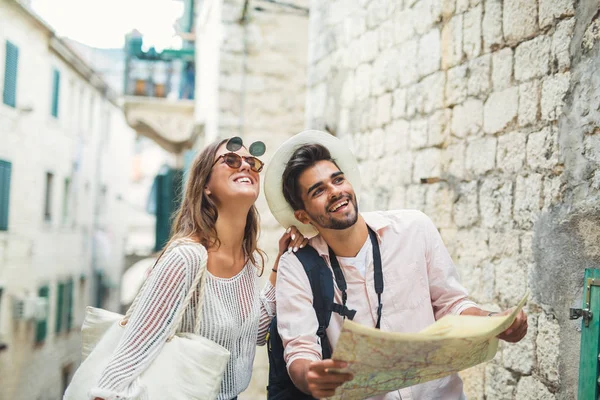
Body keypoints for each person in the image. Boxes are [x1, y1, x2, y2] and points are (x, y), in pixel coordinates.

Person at [264, 130, 528, 400]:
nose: (335, 192)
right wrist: (312, 376)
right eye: (318, 190)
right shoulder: (295, 266)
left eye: (338, 180)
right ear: (303, 215)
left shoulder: (415, 227)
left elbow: (452, 305)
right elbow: (300, 349)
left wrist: (494, 321)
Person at [90, 137, 308, 400]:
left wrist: (280, 265)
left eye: (251, 162)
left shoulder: (246, 259)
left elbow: (255, 333)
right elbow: (130, 354)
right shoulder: (186, 258)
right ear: (206, 185)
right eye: (231, 160)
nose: (245, 166)